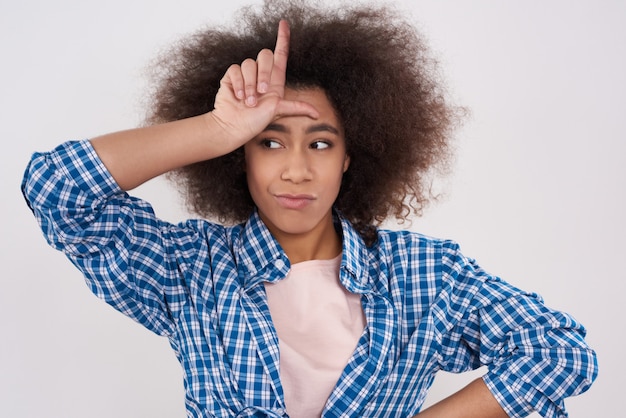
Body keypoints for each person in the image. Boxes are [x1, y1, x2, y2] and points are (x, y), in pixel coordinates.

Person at [21, 0, 597, 417]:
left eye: (320, 143)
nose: (296, 169)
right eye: (269, 142)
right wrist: (217, 127)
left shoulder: (425, 277)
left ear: (352, 156)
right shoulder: (190, 270)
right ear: (238, 158)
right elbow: (56, 190)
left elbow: (558, 353)